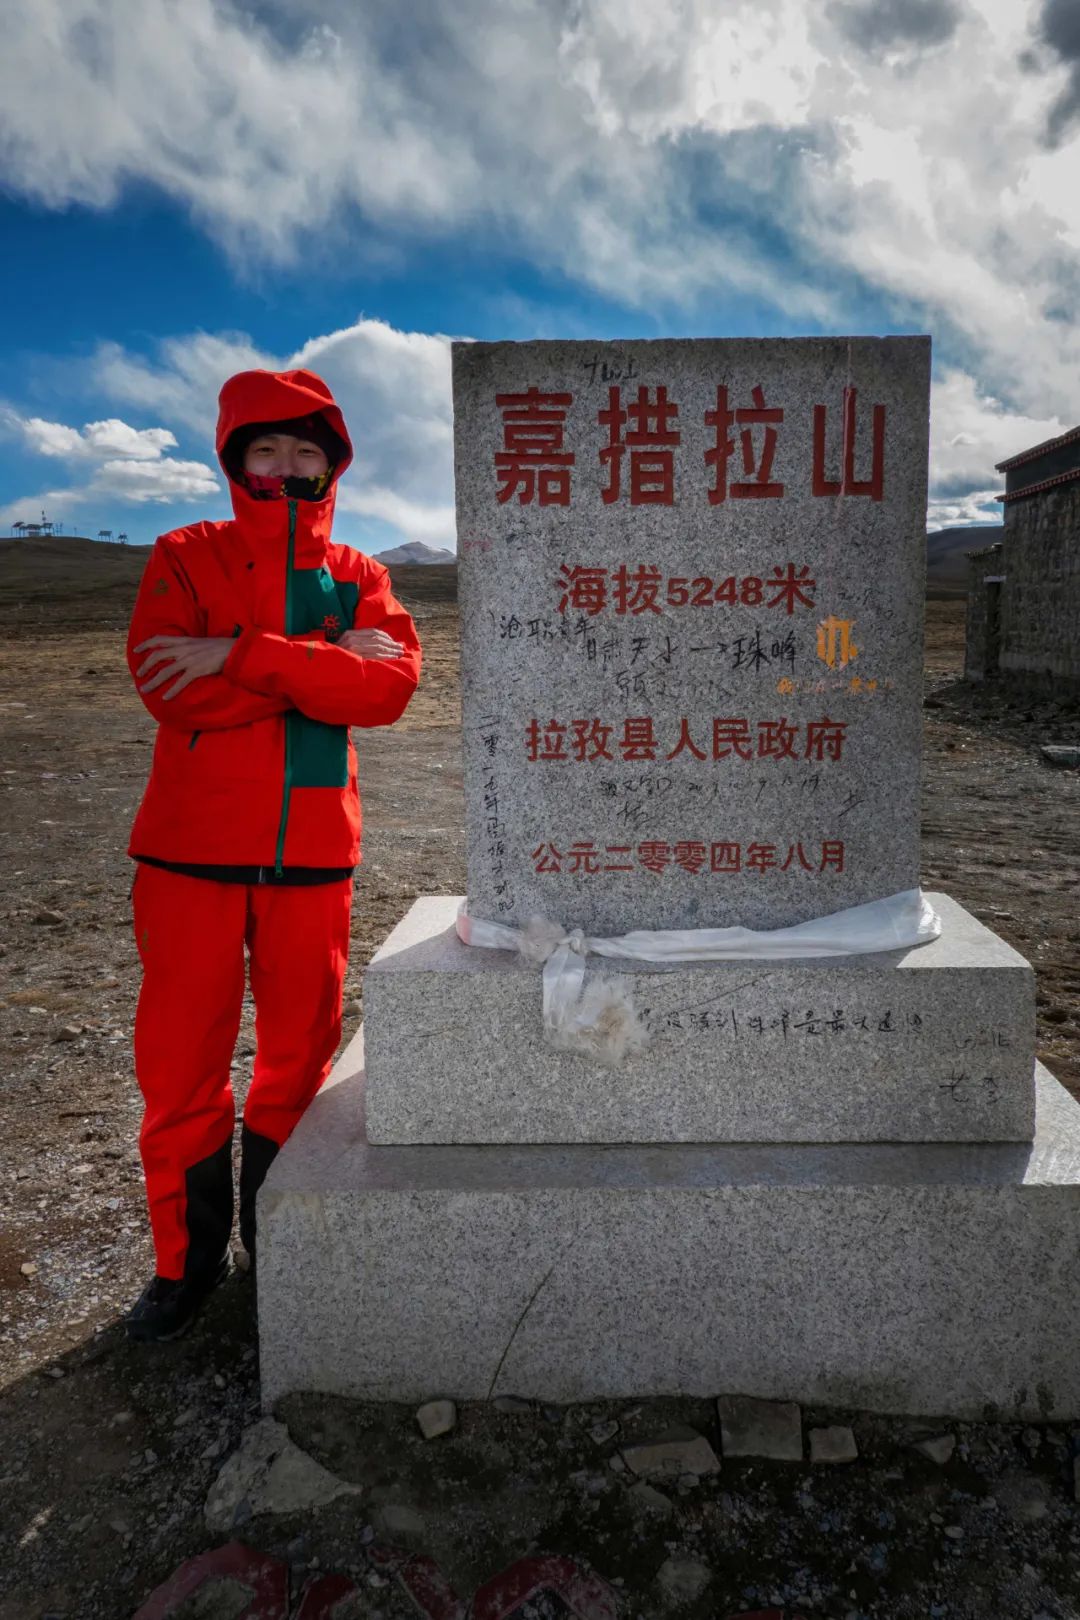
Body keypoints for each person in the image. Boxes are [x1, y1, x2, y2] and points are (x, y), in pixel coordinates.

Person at [122, 366, 422, 1342]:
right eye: (267, 449)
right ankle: (185, 1264)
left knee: (295, 1059)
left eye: (307, 451)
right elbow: (173, 686)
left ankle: (277, 1250)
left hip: (313, 863)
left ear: (330, 464)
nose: (287, 468)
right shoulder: (183, 554)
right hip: (189, 859)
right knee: (180, 1066)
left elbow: (388, 691)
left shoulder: (362, 577)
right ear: (235, 458)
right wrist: (319, 666)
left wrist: (239, 653)